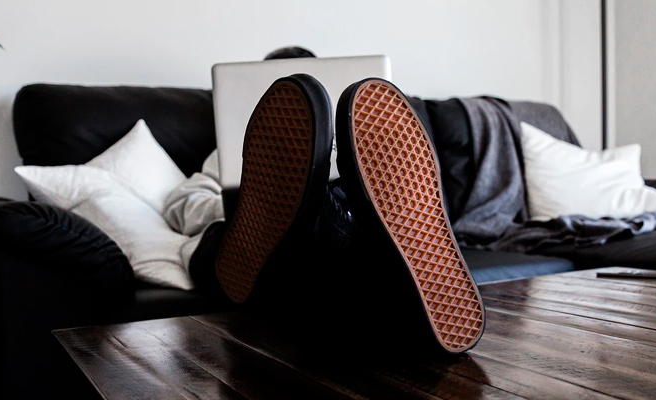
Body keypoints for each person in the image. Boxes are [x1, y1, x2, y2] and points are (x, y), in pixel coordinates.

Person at [168, 48, 486, 354]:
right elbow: (184, 202)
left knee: (349, 224)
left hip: (334, 234)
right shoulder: (240, 149)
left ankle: (333, 205)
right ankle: (298, 205)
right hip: (267, 241)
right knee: (345, 247)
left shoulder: (358, 140)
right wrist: (250, 209)